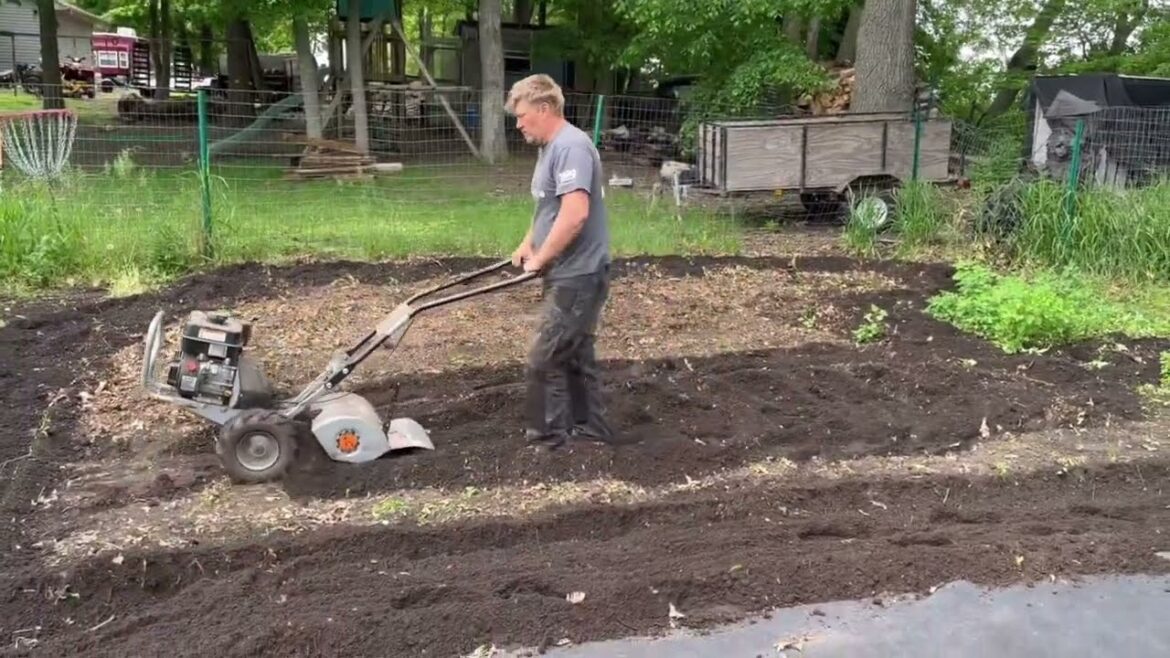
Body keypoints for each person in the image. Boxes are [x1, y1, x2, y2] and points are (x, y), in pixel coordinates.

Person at [505, 74, 614, 448]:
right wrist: (527, 243)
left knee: (544, 357)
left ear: (545, 108)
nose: (518, 123)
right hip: (569, 270)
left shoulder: (571, 147)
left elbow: (575, 214)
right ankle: (590, 429)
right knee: (574, 354)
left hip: (579, 274)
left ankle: (548, 440)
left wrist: (541, 259)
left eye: (521, 115)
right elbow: (549, 207)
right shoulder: (550, 149)